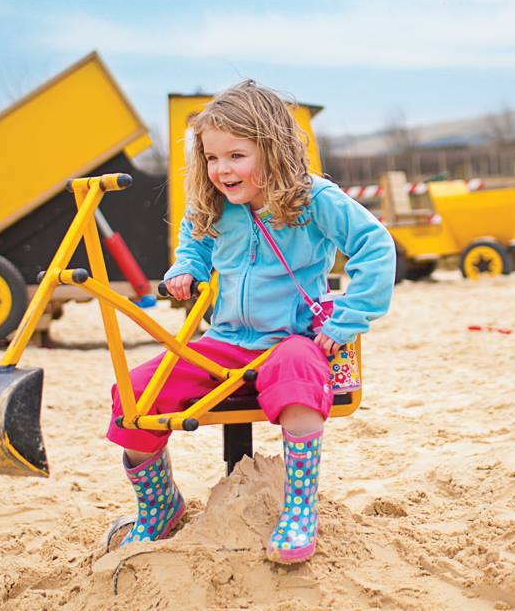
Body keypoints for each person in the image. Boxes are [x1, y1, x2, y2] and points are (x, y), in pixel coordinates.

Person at [105, 80, 396, 564]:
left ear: (273, 149)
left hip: (294, 340)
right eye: (212, 158)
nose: (222, 170)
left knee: (299, 374)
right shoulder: (213, 202)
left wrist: (347, 320)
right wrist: (186, 270)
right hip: (226, 342)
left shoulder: (312, 199)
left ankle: (299, 508)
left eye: (236, 156)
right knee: (134, 391)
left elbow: (375, 246)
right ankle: (159, 506)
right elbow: (195, 240)